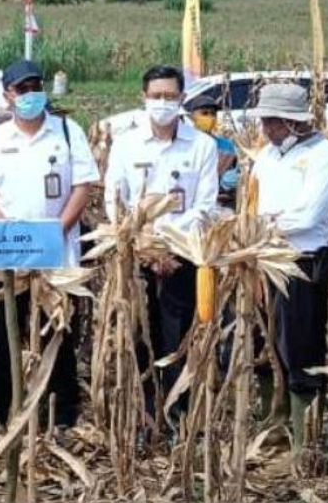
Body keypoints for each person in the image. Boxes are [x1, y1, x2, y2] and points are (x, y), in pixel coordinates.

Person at [0, 60, 99, 427]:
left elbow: (82, 187)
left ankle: (60, 413)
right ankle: (4, 409)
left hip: (58, 256)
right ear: (7, 96)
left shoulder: (68, 132)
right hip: (6, 259)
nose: (29, 95)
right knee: (4, 333)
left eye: (34, 87)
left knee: (58, 333)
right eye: (21, 90)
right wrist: (12, 238)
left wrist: (53, 234)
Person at [103, 66, 219, 416]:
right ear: (144, 98)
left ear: (182, 98)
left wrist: (168, 246)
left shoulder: (201, 146)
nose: (163, 103)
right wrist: (143, 244)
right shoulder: (126, 144)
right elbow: (114, 198)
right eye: (156, 96)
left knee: (179, 337)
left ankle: (177, 412)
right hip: (136, 256)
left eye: (170, 96)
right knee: (139, 335)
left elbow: (206, 204)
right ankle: (142, 413)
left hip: (183, 256)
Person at [250, 83, 328, 451]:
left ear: (293, 122)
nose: (266, 129)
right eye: (265, 121)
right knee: (265, 344)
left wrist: (264, 225)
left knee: (301, 346)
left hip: (301, 263)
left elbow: (308, 216)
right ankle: (274, 422)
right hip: (261, 262)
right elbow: (251, 202)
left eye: (272, 121)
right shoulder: (267, 156)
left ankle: (307, 437)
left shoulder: (324, 156)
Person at [185, 94, 239, 208]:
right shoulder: (185, 145)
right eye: (204, 113)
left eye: (213, 114)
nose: (210, 117)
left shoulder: (226, 146)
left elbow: (233, 179)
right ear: (192, 117)